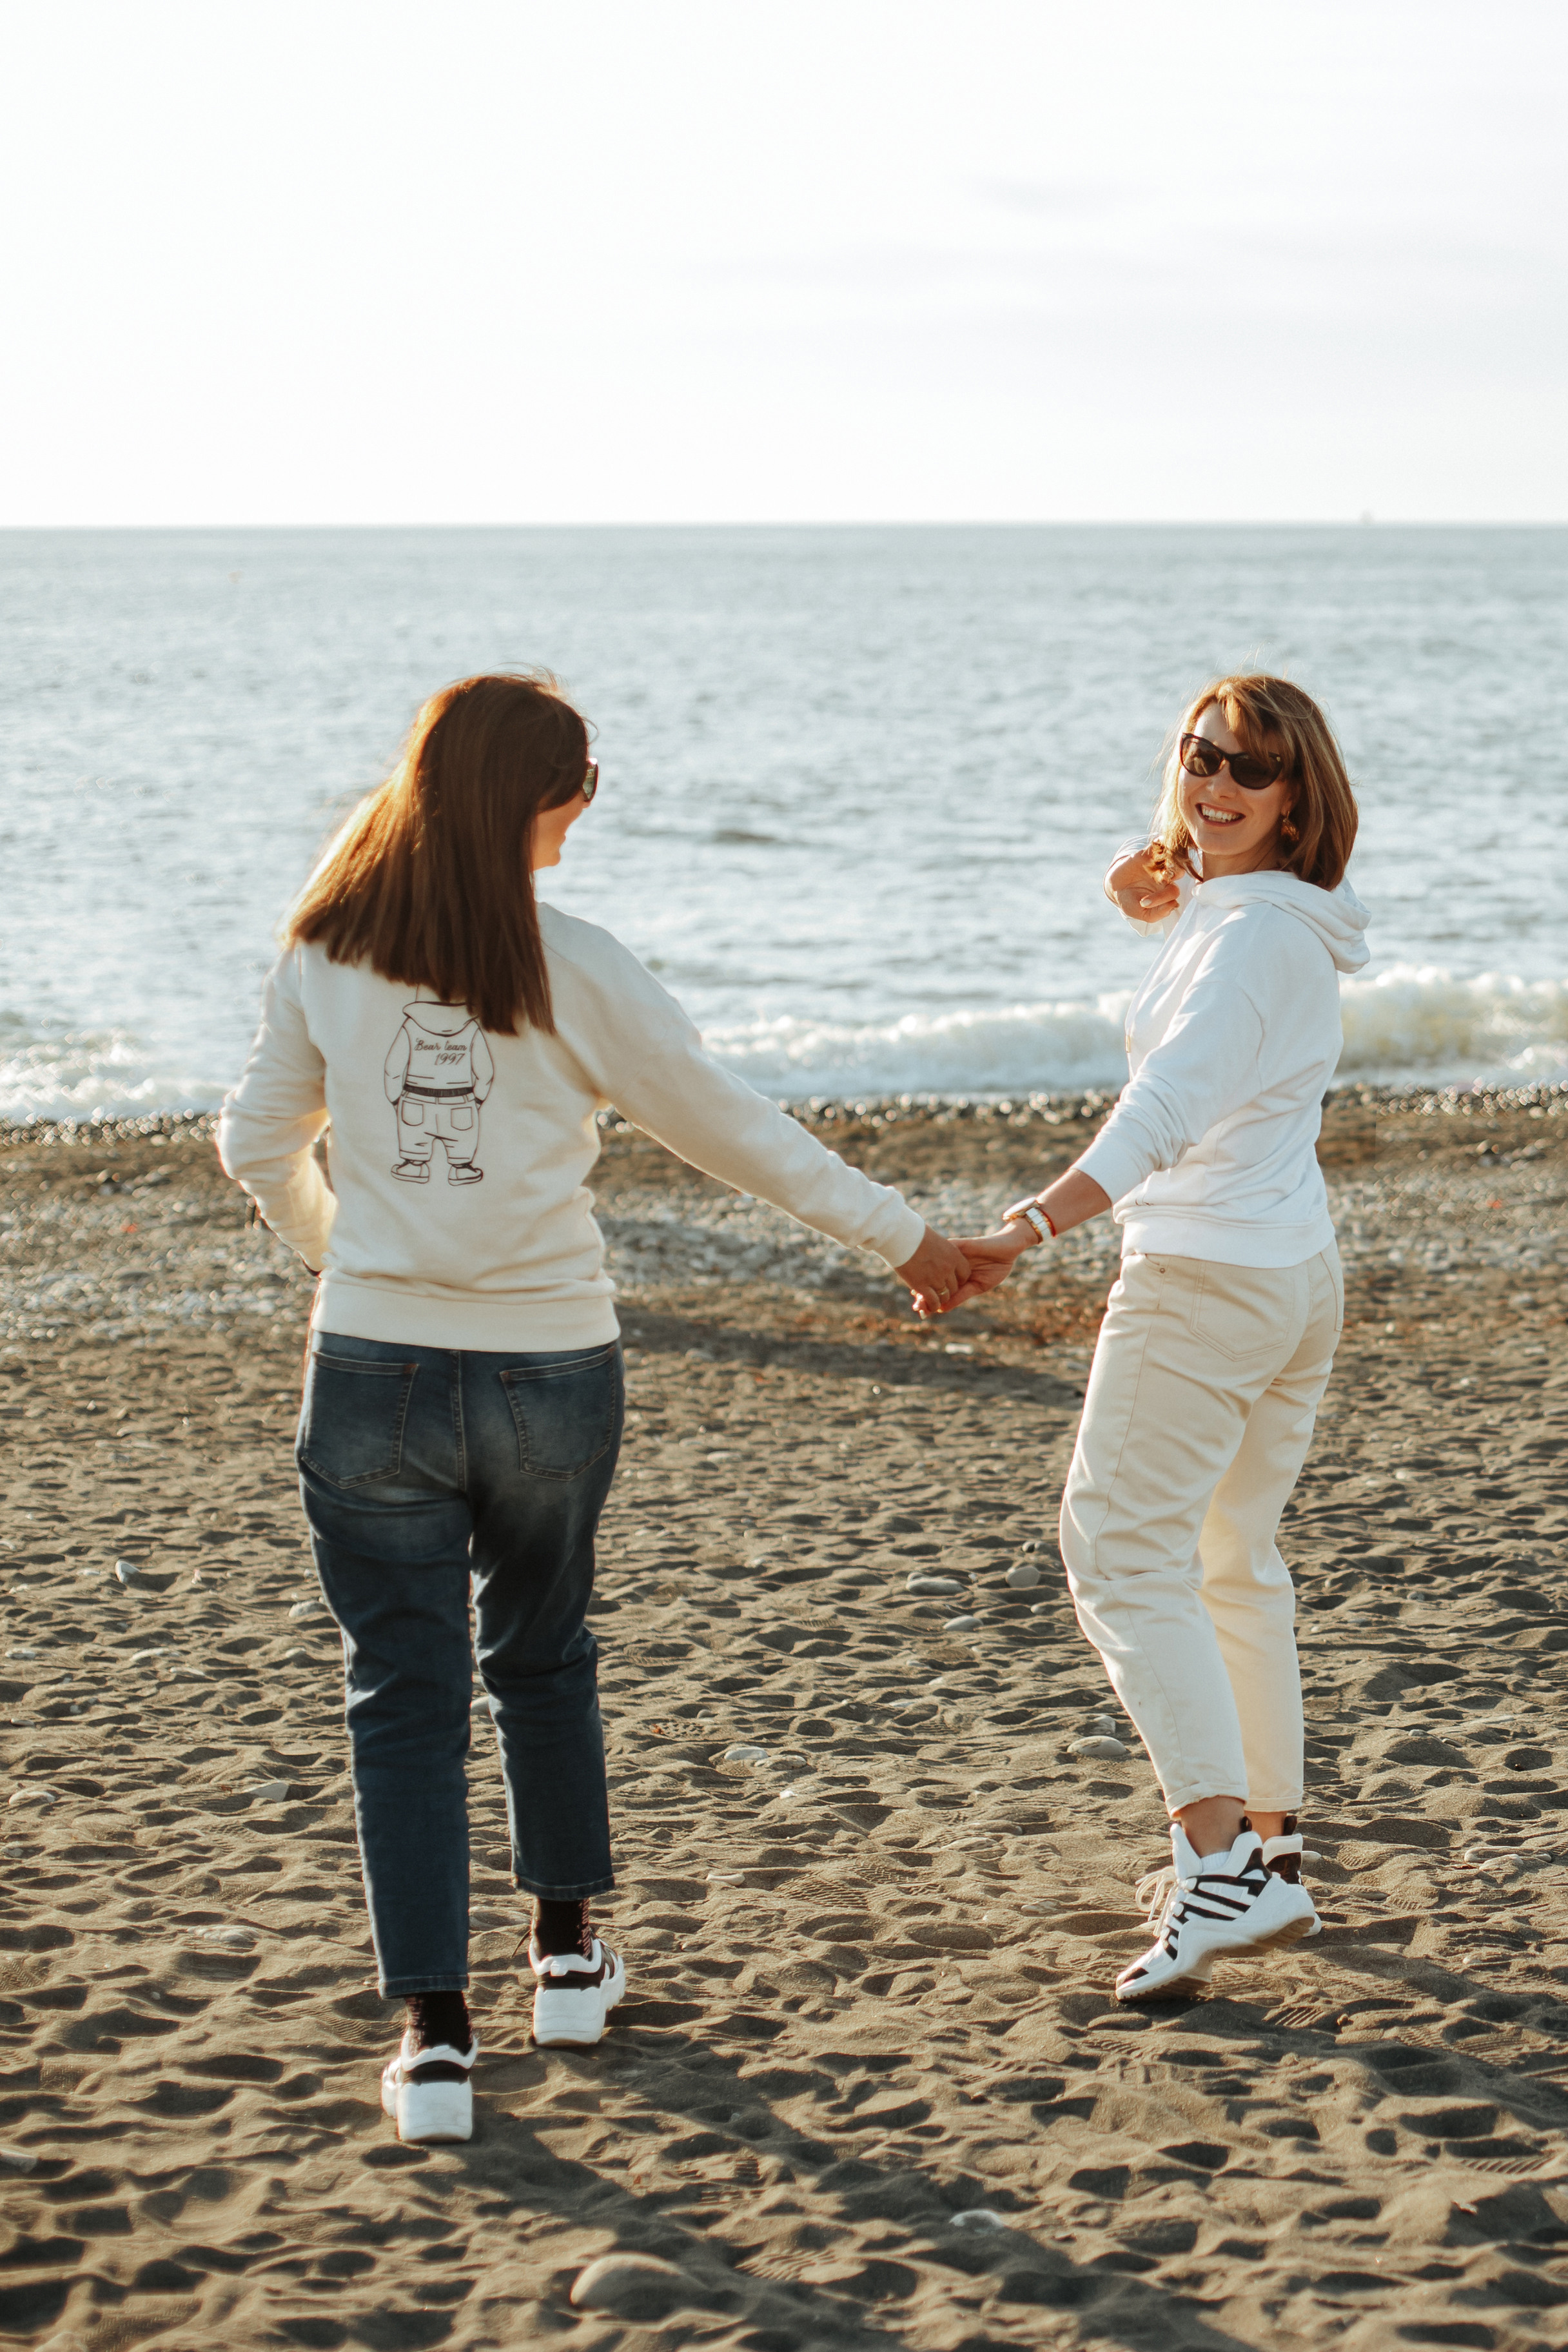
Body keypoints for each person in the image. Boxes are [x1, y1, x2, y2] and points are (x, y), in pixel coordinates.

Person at [217, 671, 968, 2142]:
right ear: (536, 800)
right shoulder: (583, 965)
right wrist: (907, 1240)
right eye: (582, 780)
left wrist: (358, 1264)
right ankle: (566, 1958)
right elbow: (735, 1133)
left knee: (403, 1696)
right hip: (553, 1369)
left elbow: (254, 1145)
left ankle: (435, 2042)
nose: (587, 804)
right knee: (542, 1658)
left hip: (370, 1370)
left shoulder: (324, 946)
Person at [946, 674, 1367, 2001]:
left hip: (1201, 1280)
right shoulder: (1274, 921)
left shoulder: (1249, 941)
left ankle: (1218, 1866)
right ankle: (1275, 1853)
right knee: (1230, 1558)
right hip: (1288, 1274)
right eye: (1201, 758)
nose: (1218, 784)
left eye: (1250, 769)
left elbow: (1165, 1104)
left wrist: (1026, 1225)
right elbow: (1211, 1022)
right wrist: (1170, 884)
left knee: (1116, 1553)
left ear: (1297, 798)